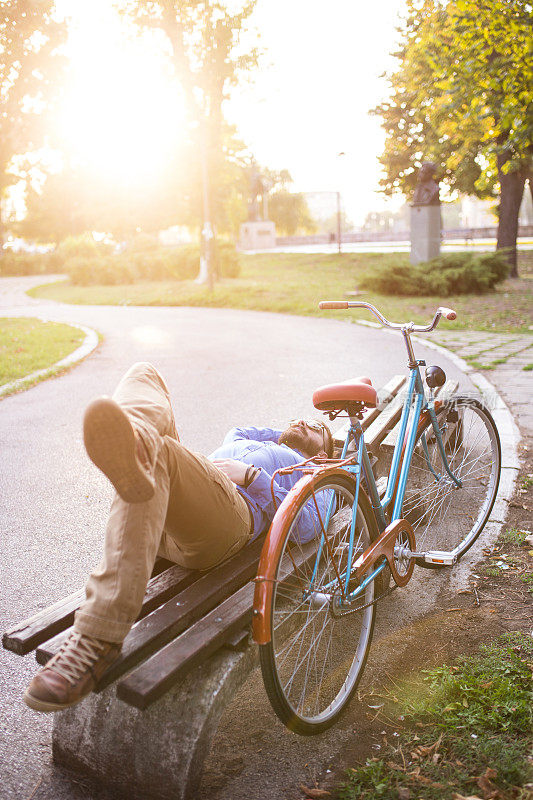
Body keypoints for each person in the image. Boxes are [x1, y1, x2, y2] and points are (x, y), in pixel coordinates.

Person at [24, 362, 334, 713]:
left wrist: (252, 476)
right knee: (145, 374)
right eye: (302, 419)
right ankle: (136, 442)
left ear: (322, 452)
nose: (304, 421)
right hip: (169, 513)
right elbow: (240, 429)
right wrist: (286, 431)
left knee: (158, 451)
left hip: (230, 520)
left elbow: (311, 525)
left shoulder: (314, 471)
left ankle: (99, 635)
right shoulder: (245, 440)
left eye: (315, 427)